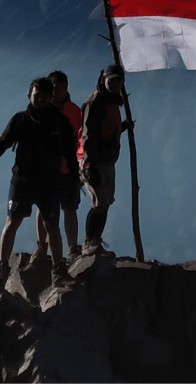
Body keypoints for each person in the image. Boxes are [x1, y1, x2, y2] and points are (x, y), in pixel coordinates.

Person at [0, 77, 78, 287]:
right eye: (37, 95)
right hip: (23, 182)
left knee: (51, 226)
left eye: (45, 95)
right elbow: (0, 145)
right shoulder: (20, 120)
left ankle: (58, 270)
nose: (40, 99)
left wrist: (74, 179)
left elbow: (70, 154)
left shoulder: (60, 122)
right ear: (29, 96)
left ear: (50, 97)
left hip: (49, 183)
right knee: (13, 222)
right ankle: (3, 269)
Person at [32, 71, 83, 263]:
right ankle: (41, 246)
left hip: (68, 170)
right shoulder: (40, 111)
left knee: (70, 209)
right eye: (56, 88)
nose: (60, 91)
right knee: (43, 209)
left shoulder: (75, 111)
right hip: (46, 170)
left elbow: (81, 139)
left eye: (63, 88)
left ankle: (72, 249)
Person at [79, 64, 130, 256]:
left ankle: (96, 241)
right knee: (99, 201)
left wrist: (123, 127)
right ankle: (89, 242)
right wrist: (89, 166)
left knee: (106, 202)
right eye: (112, 81)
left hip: (107, 160)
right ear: (103, 80)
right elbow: (88, 135)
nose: (115, 84)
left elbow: (105, 131)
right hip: (92, 161)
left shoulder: (114, 102)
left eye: (119, 81)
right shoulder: (95, 102)